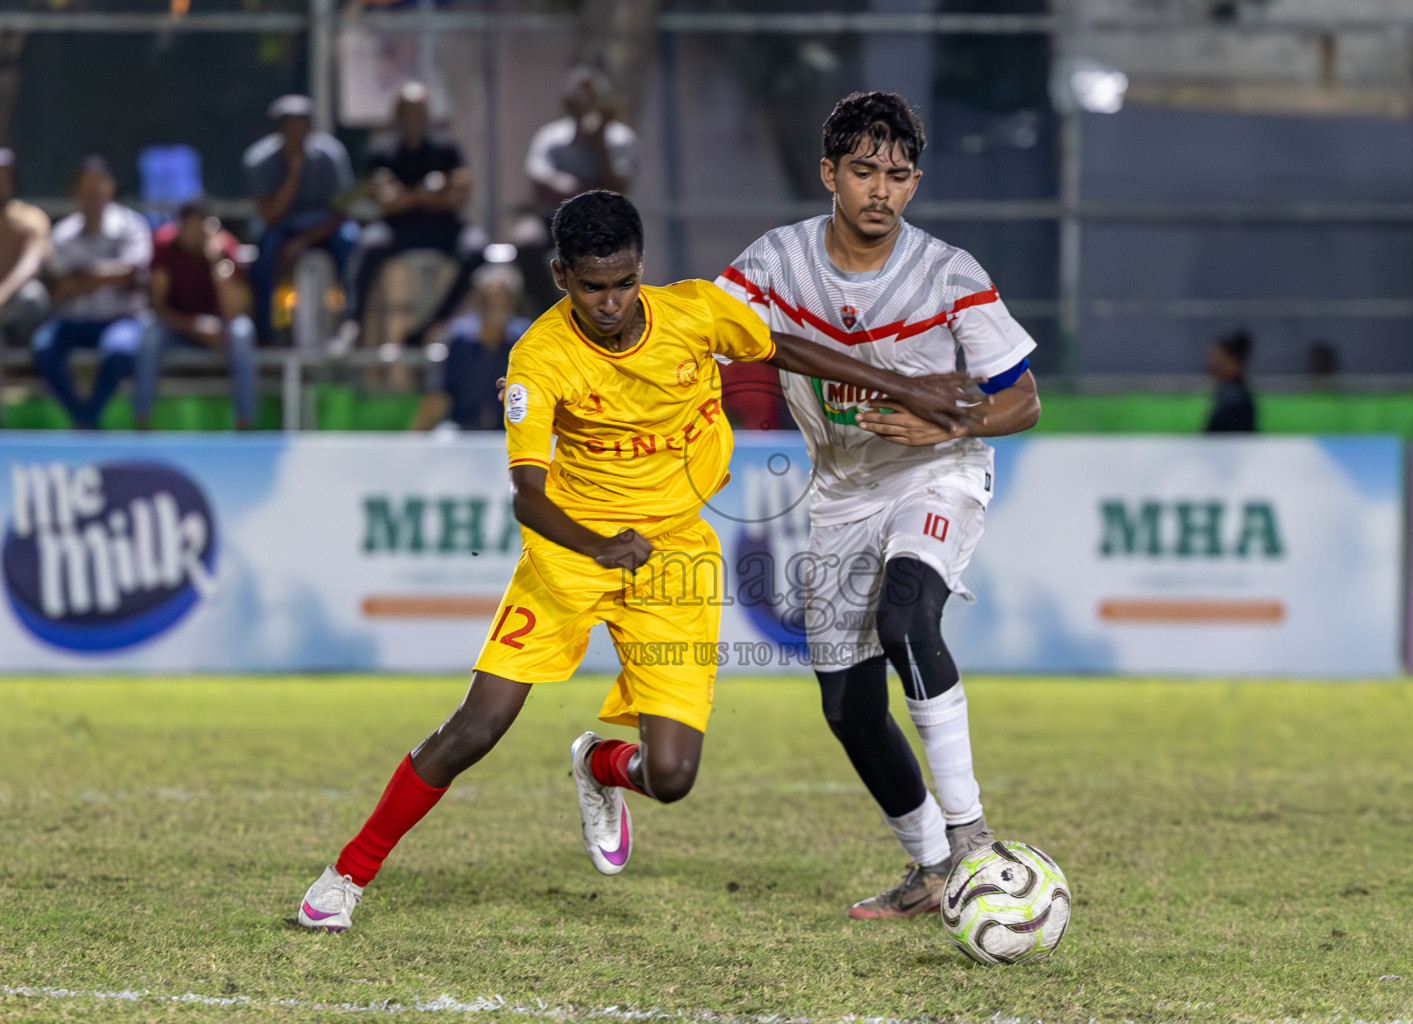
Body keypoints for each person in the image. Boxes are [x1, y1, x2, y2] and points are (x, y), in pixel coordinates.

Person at [295, 189, 973, 932]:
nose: (610, 302)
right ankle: (346, 875)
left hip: (673, 555)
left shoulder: (693, 312)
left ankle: (597, 765)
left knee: (674, 777)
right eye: (591, 287)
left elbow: (783, 348)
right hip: (572, 553)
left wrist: (905, 386)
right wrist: (597, 546)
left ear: (640, 269)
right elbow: (527, 496)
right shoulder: (538, 358)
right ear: (561, 276)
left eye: (622, 283)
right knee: (479, 724)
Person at [716, 91, 1041, 919]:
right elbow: (697, 333)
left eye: (898, 176)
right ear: (829, 173)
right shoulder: (774, 264)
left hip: (938, 474)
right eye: (863, 171)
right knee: (849, 709)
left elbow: (1024, 400)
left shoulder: (949, 273)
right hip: (841, 492)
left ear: (915, 183)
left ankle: (971, 840)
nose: (880, 191)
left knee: (907, 620)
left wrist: (945, 427)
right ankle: (933, 869)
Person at [344, 81, 484, 346]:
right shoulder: (382, 153)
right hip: (398, 230)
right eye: (408, 111)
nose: (414, 118)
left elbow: (460, 194)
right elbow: (386, 202)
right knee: (368, 243)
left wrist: (408, 195)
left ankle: (431, 327)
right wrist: (431, 192)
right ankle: (353, 325)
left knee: (477, 251)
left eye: (420, 111)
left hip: (444, 228)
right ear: (398, 115)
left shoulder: (446, 149)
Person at [32, 157, 151, 429]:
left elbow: (132, 272)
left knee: (118, 351)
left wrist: (82, 276)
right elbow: (60, 289)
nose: (92, 198)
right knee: (43, 346)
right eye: (85, 191)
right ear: (75, 194)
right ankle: (84, 418)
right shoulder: (63, 233)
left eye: (97, 190)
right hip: (76, 322)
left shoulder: (131, 225)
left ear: (110, 189)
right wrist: (109, 276)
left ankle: (87, 419)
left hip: (121, 319)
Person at [514, 64, 640, 313]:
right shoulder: (551, 136)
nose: (586, 105)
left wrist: (599, 145)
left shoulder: (621, 138)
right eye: (580, 99)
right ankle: (546, 312)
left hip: (602, 221)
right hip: (555, 217)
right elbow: (539, 178)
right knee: (525, 241)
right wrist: (586, 187)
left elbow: (619, 187)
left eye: (593, 100)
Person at [135, 200, 258, 430]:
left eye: (201, 225)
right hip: (176, 325)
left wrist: (216, 262)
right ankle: (142, 421)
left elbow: (234, 312)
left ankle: (245, 424)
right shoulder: (164, 246)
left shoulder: (225, 248)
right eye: (190, 226)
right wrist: (195, 327)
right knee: (150, 337)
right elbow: (158, 307)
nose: (195, 233)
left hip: (220, 326)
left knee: (242, 332)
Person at [243, 94, 355, 343]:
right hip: (281, 228)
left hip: (323, 228)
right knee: (262, 259)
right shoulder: (259, 160)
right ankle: (265, 334)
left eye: (303, 124)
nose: (298, 132)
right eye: (290, 125)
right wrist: (293, 174)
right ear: (278, 130)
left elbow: (341, 212)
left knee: (351, 243)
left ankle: (350, 320)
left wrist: (303, 242)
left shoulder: (331, 156)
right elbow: (269, 216)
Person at [411, 262, 531, 432]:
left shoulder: (527, 338)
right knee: (443, 435)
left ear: (513, 301)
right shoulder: (458, 338)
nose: (495, 304)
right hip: (463, 430)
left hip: (512, 431)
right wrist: (412, 446)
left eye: (503, 298)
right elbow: (438, 395)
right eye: (487, 299)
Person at [0, 149, 52, 349]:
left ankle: (28, 362)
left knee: (34, 296)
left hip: (14, 304)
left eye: (5, 177)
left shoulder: (31, 218)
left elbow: (31, 263)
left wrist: (2, 294)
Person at [1205, 329, 1257, 432]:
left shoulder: (1235, 400)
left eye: (1218, 358)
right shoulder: (1228, 393)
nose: (1212, 363)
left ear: (1233, 362)